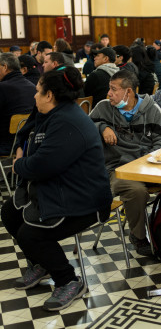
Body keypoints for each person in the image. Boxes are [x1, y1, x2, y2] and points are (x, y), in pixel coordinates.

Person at [1, 68, 112, 311]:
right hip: (59, 188)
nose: (34, 96)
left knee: (30, 234)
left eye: (38, 91)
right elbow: (24, 134)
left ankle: (69, 280)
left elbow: (42, 165)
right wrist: (22, 149)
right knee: (10, 212)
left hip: (85, 200)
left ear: (50, 94)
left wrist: (19, 164)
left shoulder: (68, 121)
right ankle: (42, 263)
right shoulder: (48, 112)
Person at [90, 70, 161, 255]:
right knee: (136, 191)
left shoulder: (152, 110)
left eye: (113, 89)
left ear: (129, 92)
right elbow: (84, 128)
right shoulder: (103, 107)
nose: (108, 93)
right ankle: (139, 236)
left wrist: (143, 161)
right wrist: (102, 127)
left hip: (147, 167)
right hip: (116, 170)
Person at [0, 53, 36, 155]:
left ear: (5, 67)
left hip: (7, 145)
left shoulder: (2, 88)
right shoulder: (33, 86)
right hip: (29, 143)